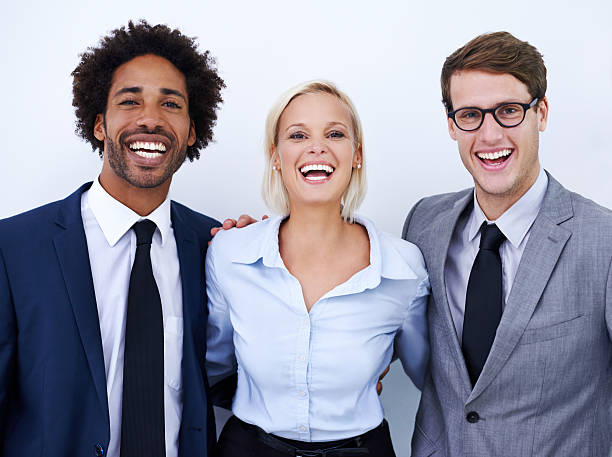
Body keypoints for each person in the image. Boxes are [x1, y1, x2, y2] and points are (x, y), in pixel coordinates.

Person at [0, 21, 225, 457]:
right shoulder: (14, 248)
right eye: (130, 101)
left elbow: (236, 377)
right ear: (99, 124)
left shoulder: (214, 245)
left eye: (171, 104)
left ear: (192, 131)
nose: (150, 119)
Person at [402, 31, 612, 456]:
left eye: (509, 111)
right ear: (451, 125)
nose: (490, 134)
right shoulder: (423, 223)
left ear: (542, 113)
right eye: (470, 115)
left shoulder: (603, 242)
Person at [205, 80, 430, 457]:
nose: (317, 146)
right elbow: (211, 365)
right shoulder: (230, 253)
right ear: (275, 156)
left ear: (357, 154)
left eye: (335, 133)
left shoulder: (403, 267)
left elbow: (432, 378)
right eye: (298, 134)